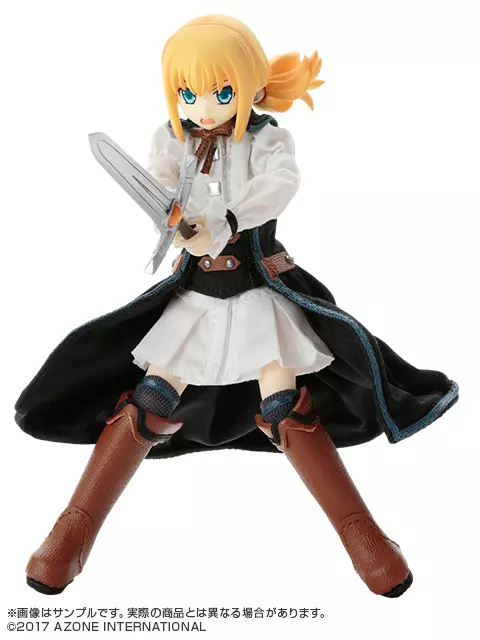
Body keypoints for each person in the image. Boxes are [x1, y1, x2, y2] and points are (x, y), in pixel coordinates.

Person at [16, 14, 458, 597]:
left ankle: (363, 538)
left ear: (248, 87)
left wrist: (223, 221)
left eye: (220, 93)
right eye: (188, 93)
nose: (203, 108)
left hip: (259, 290)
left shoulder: (267, 139)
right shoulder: (173, 140)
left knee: (283, 404)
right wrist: (172, 216)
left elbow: (279, 186)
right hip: (196, 295)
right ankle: (71, 534)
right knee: (150, 397)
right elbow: (161, 183)